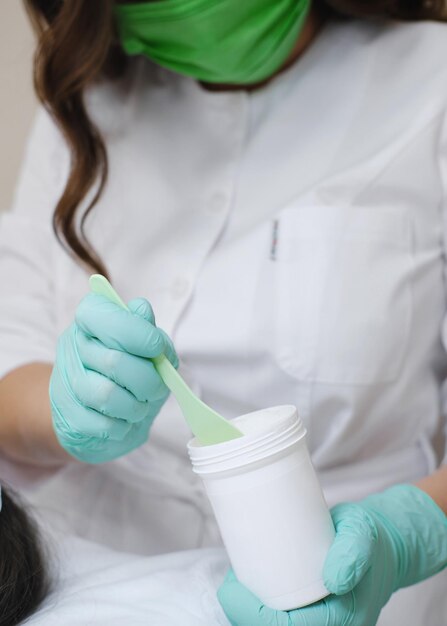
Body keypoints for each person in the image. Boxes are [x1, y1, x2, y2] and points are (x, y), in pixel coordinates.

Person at [0, 0, 447, 624]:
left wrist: (407, 533)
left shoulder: (433, 87)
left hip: (338, 593)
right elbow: (10, 356)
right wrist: (65, 406)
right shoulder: (88, 94)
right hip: (97, 589)